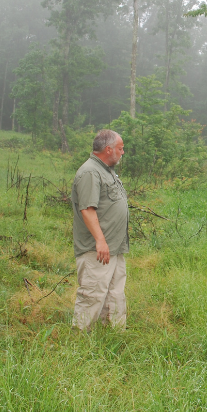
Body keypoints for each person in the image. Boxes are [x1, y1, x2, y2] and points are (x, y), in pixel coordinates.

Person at [71, 129, 129, 330]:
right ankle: (80, 339)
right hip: (97, 249)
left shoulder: (106, 171)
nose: (122, 152)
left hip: (114, 248)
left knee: (115, 294)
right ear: (108, 149)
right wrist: (100, 241)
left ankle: (111, 335)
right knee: (92, 294)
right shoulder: (90, 172)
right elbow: (87, 210)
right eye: (120, 149)